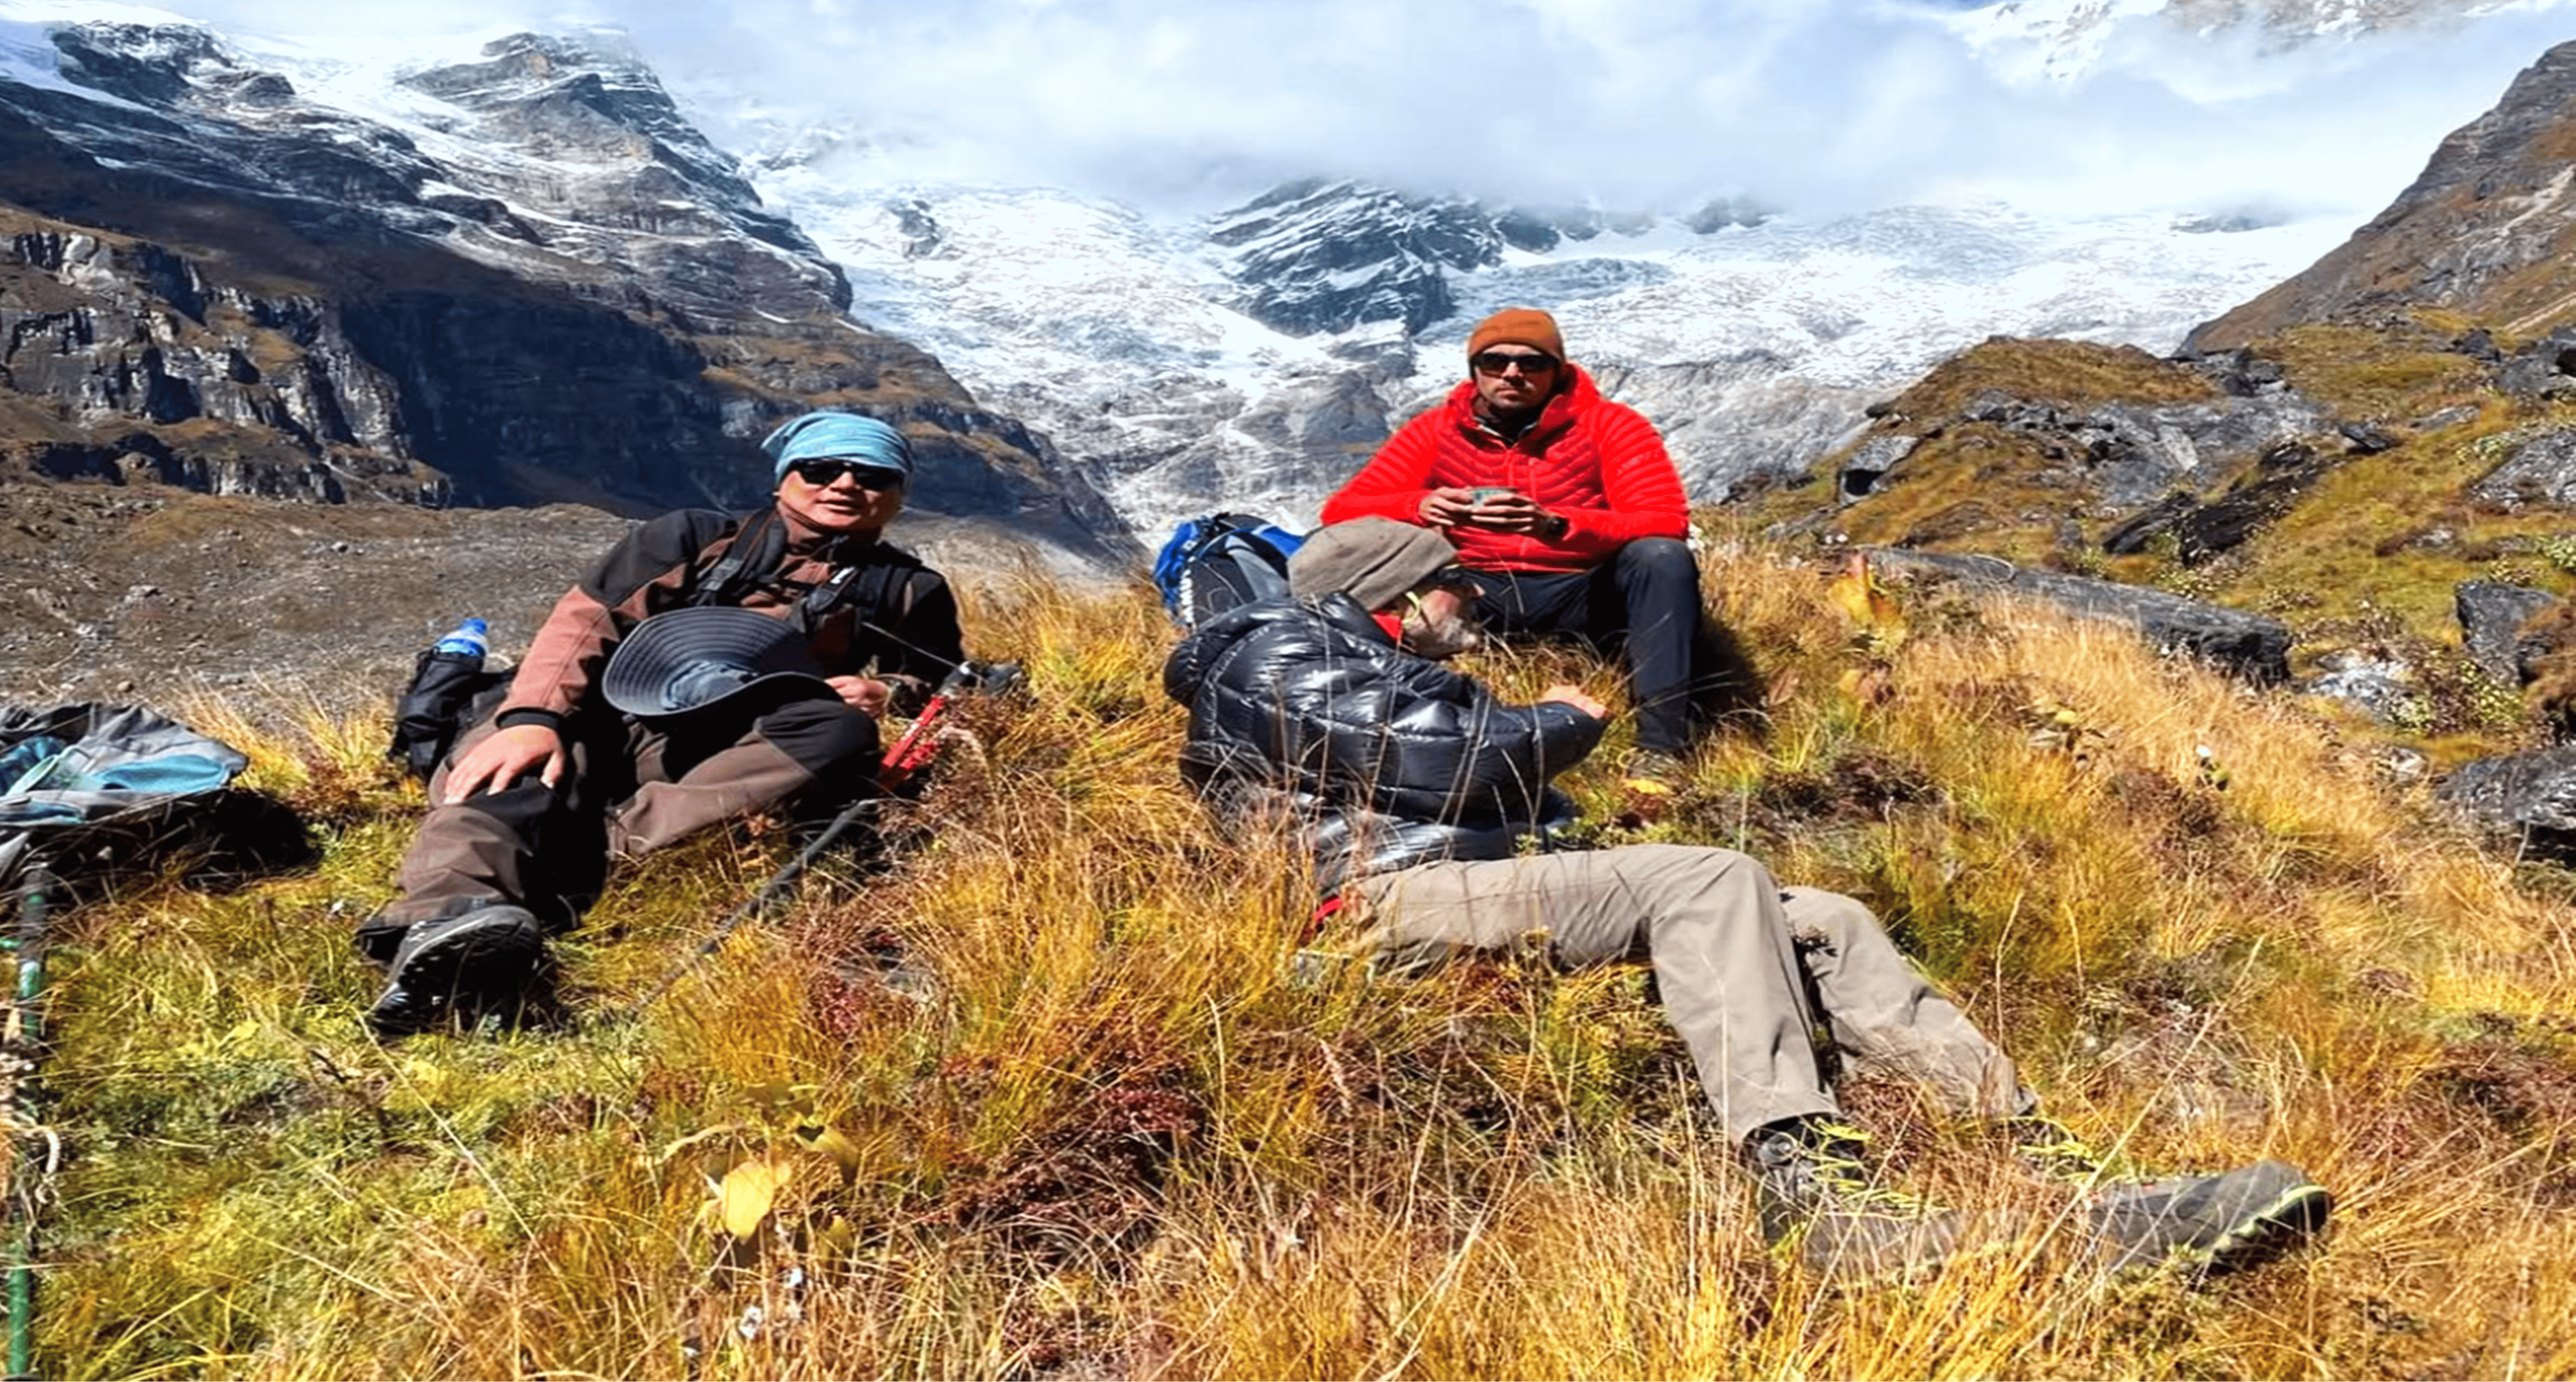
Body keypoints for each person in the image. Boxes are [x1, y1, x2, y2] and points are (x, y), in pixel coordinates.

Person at [1163, 518, 2332, 1280]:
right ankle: (1807, 1189)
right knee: (1710, 874)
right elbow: (1441, 767)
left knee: (1820, 915)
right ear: (1392, 594)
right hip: (1382, 898)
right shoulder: (1268, 647)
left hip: (1466, 883)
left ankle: (2033, 1151)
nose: (1465, 597)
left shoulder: (1338, 656)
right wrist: (1563, 722)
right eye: (1447, 584)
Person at [357, 410, 965, 1036]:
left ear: (898, 494)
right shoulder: (692, 538)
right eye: (820, 468)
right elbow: (586, 624)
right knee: (515, 765)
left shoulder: (909, 589)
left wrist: (885, 691)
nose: (843, 484)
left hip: (718, 748)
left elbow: (937, 682)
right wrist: (532, 718)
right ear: (784, 477)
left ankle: (587, 861)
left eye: (871, 475)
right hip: (594, 712)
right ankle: (445, 919)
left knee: (837, 729)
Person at [1321, 307, 1731, 778]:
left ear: (1558, 370)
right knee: (1335, 556)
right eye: (1495, 362)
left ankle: (1661, 748)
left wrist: (1555, 525)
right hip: (1473, 591)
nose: (1512, 374)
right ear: (1474, 371)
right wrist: (1420, 505)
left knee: (1660, 558)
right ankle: (1372, 730)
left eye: (1531, 363)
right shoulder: (1434, 431)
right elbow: (1341, 512)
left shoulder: (1611, 425)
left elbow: (1663, 520)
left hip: (1581, 591)